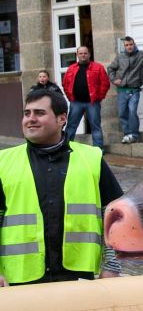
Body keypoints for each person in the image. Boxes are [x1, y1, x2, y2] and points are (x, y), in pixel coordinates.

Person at [0, 89, 122, 286]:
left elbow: (115, 217)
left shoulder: (92, 159)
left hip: (78, 277)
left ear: (61, 118)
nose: (30, 119)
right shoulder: (3, 162)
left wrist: (112, 267)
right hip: (19, 279)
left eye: (39, 113)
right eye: (27, 113)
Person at [62, 46, 110, 150]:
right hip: (76, 102)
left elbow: (105, 83)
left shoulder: (98, 67)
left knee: (95, 127)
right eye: (81, 53)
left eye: (85, 53)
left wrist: (99, 97)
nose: (83, 55)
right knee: (71, 126)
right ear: (77, 55)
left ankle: (98, 149)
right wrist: (70, 97)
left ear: (89, 54)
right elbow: (65, 83)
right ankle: (65, 148)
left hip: (92, 102)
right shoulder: (71, 68)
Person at [107, 36, 143, 144]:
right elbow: (111, 68)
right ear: (124, 46)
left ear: (134, 44)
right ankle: (127, 134)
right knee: (122, 113)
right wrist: (114, 79)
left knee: (132, 111)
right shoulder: (120, 57)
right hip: (121, 90)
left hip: (134, 89)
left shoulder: (142, 55)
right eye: (127, 45)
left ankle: (134, 135)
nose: (129, 47)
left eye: (131, 44)